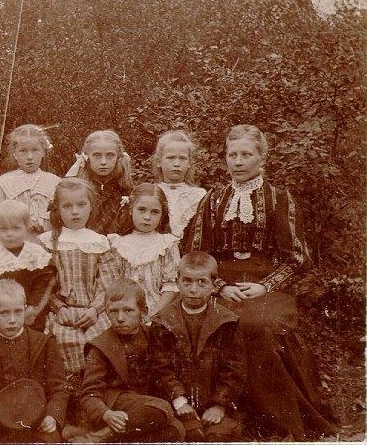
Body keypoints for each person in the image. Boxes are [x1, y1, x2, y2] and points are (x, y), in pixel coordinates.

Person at [182, 124, 337, 440]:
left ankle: (275, 420)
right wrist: (219, 286)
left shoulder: (280, 199)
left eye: (246, 154)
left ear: (262, 158)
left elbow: (297, 258)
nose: (238, 161)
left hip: (266, 285)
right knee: (222, 321)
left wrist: (265, 286)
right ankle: (223, 412)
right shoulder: (212, 200)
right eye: (232, 154)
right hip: (220, 282)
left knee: (257, 326)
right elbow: (195, 252)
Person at [67, 279, 184, 443]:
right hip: (114, 405)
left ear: (143, 311)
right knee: (163, 408)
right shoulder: (101, 346)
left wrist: (179, 398)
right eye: (113, 311)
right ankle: (96, 437)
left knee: (176, 430)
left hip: (141, 406)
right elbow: (89, 394)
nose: (120, 318)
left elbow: (164, 372)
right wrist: (106, 414)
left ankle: (110, 436)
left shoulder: (151, 335)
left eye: (128, 310)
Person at [148, 251, 246, 442]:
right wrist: (180, 401)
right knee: (190, 434)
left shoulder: (227, 321)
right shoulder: (163, 321)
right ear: (177, 282)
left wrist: (219, 405)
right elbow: (160, 368)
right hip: (178, 404)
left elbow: (234, 368)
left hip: (216, 404)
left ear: (213, 285)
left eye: (202, 282)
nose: (194, 289)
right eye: (187, 281)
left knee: (217, 435)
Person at [0, 279, 69, 443]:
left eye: (18, 312)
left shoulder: (44, 344)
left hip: (35, 419)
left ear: (25, 310)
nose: (12, 320)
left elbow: (59, 388)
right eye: (4, 313)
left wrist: (52, 416)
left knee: (49, 438)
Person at [39, 177, 115, 375]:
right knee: (63, 339)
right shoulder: (49, 243)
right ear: (57, 210)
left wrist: (95, 310)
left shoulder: (100, 243)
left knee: (101, 339)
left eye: (81, 205)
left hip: (93, 312)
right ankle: (71, 383)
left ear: (91, 207)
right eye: (67, 206)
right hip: (61, 311)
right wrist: (58, 307)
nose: (75, 212)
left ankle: (94, 381)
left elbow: (107, 283)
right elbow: (45, 284)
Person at [0, 200, 56, 331]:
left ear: (27, 228)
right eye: (3, 229)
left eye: (16, 228)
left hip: (32, 314)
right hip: (2, 315)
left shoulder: (37, 254)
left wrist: (32, 309)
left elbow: (43, 284)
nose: (9, 234)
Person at [106, 183, 180, 318]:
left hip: (157, 312)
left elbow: (171, 286)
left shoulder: (167, 244)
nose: (147, 217)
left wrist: (152, 314)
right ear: (130, 210)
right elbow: (110, 283)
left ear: (162, 215)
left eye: (155, 212)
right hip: (121, 314)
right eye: (141, 210)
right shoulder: (116, 244)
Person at [0, 124, 60, 244]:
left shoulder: (55, 182)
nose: (30, 157)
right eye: (23, 151)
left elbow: (61, 215)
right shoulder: (4, 182)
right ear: (15, 154)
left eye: (35, 150)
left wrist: (45, 221)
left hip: (47, 244)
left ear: (43, 151)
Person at [66, 130, 133, 234]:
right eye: (97, 155)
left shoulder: (127, 190)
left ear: (118, 157)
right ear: (87, 157)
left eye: (110, 155)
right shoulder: (75, 188)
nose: (103, 162)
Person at [152, 130, 206, 238]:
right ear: (159, 161)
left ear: (189, 162)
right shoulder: (151, 192)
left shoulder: (199, 195)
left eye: (182, 158)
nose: (177, 164)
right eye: (171, 158)